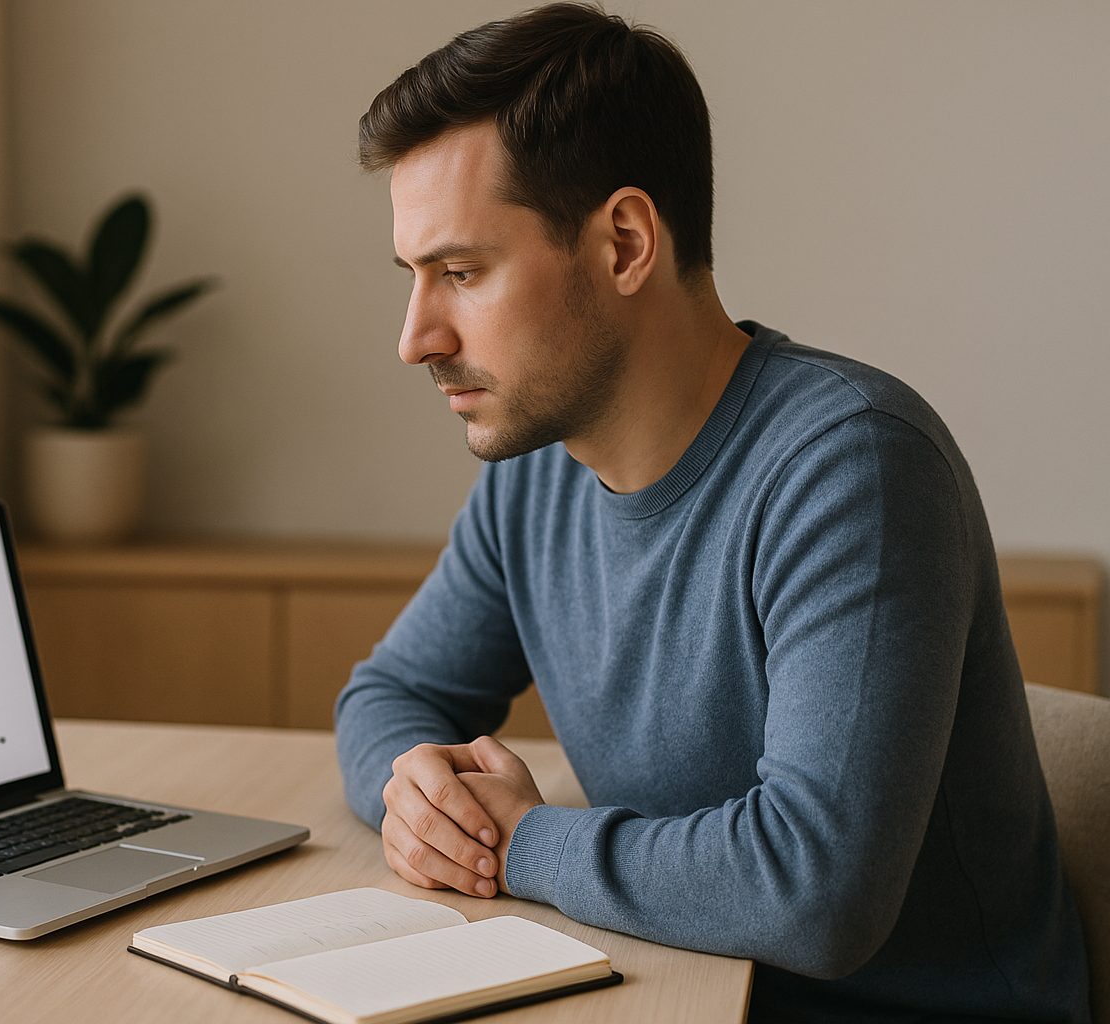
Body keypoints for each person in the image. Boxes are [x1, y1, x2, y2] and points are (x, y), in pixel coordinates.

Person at [332, 4, 1090, 1021]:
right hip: (676, 986)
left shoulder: (853, 467)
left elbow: (816, 892)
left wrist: (522, 839)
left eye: (461, 274)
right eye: (414, 277)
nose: (416, 336)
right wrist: (415, 796)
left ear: (627, 241)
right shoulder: (534, 474)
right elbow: (389, 693)